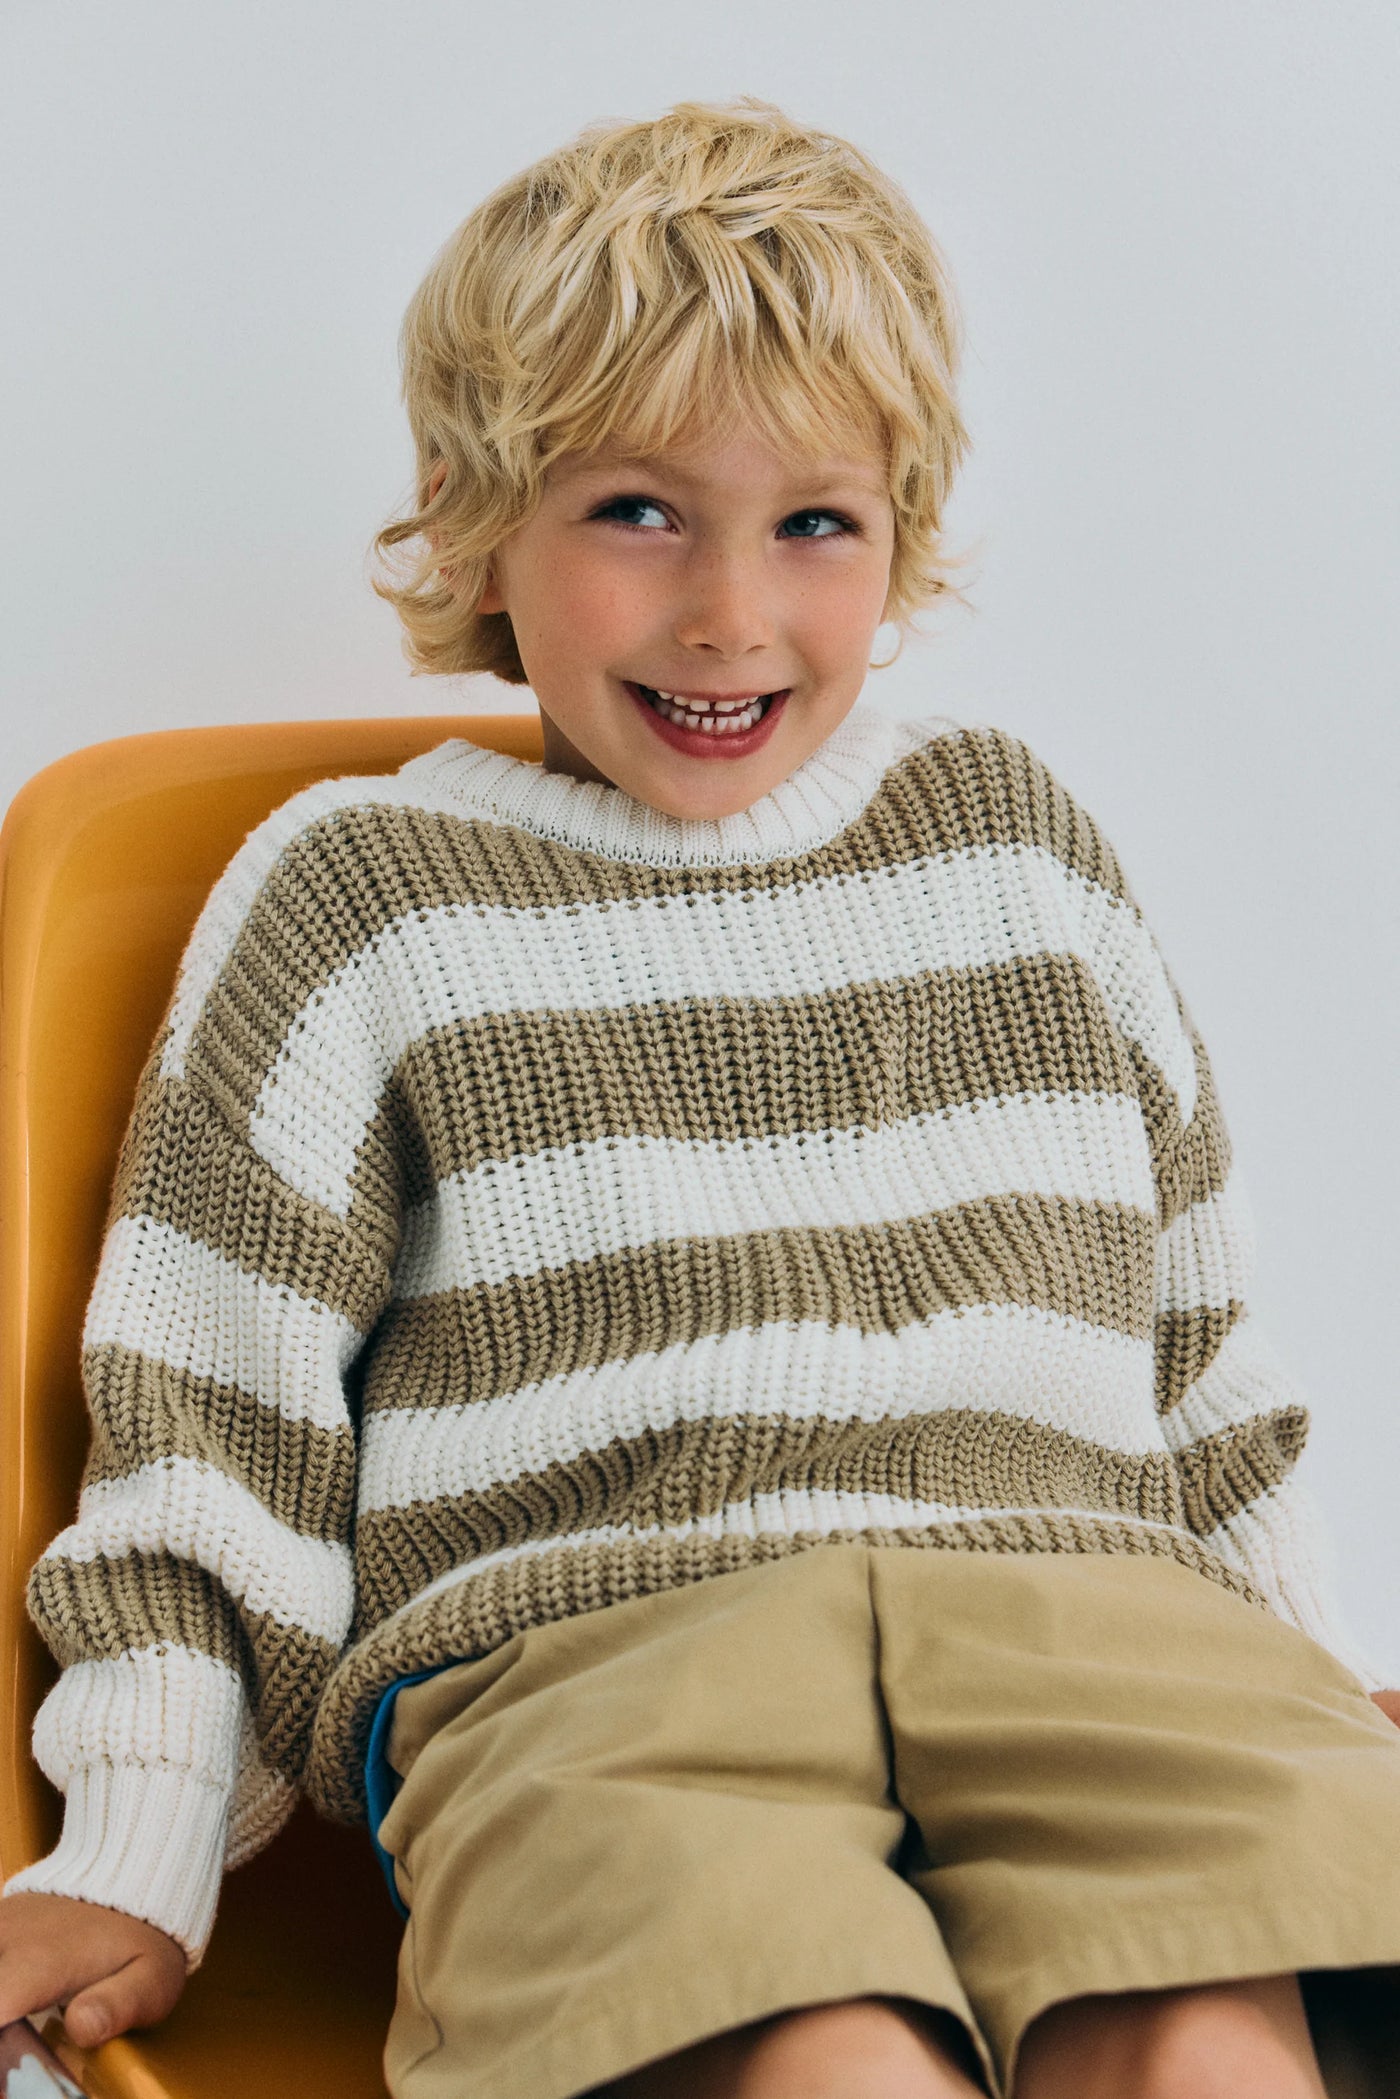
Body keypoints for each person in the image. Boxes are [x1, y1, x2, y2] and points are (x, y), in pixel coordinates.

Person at [1, 94, 1398, 2099]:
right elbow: (210, 1434)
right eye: (639, 512)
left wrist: (1309, 1693)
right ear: (473, 517)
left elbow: (1196, 1363)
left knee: (1196, 2025)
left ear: (899, 534)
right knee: (820, 2053)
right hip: (599, 1674)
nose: (731, 612)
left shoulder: (1014, 847)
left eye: (813, 523)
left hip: (1089, 1635)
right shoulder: (363, 899)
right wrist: (132, 1856)